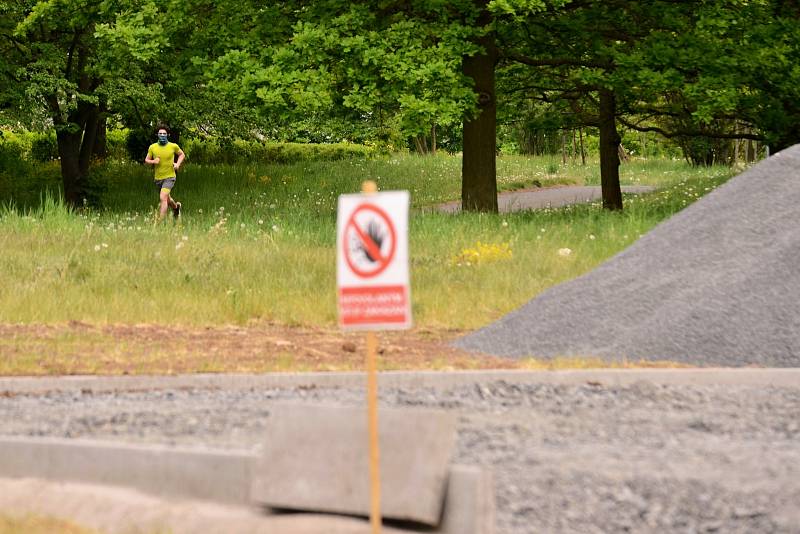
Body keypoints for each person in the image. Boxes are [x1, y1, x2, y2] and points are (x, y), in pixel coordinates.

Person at [144, 127, 185, 222]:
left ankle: (159, 222)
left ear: (167, 135)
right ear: (157, 135)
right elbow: (146, 160)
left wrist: (177, 164)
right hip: (158, 178)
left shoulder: (173, 146)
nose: (162, 135)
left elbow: (182, 154)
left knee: (163, 197)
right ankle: (176, 208)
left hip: (170, 177)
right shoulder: (152, 147)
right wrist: (154, 161)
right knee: (167, 198)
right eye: (160, 134)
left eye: (164, 134)